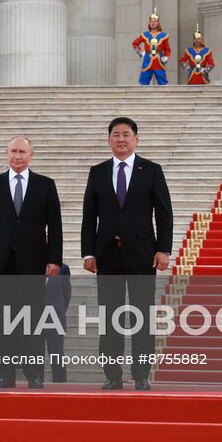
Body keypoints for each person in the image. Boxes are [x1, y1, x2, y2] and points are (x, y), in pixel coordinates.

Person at [80, 117, 173, 390]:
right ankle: (112, 375)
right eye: (116, 135)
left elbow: (164, 213)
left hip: (143, 255)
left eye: (126, 134)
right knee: (110, 318)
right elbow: (89, 217)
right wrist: (88, 253)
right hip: (107, 256)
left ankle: (141, 374)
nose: (121, 139)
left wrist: (163, 249)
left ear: (136, 139)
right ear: (109, 140)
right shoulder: (97, 172)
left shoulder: (151, 170)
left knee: (142, 317)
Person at [0, 135, 63, 388]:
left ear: (31, 155)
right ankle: (6, 374)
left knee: (32, 320)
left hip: (34, 263)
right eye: (13, 151)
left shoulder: (45, 185)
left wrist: (54, 260)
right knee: (4, 322)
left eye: (22, 152)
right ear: (6, 153)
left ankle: (34, 373)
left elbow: (55, 226)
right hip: (3, 264)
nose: (17, 156)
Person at [42, 262, 73, 383]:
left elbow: (67, 294)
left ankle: (60, 383)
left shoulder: (63, 268)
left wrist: (58, 311)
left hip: (55, 317)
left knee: (57, 354)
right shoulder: (31, 265)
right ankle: (36, 383)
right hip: (34, 317)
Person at [132, 10, 172, 86]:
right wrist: (141, 52)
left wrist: (166, 57)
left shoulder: (164, 35)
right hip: (147, 60)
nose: (153, 23)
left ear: (158, 23)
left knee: (162, 82)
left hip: (159, 61)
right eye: (151, 21)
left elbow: (167, 49)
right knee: (143, 82)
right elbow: (135, 44)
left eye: (155, 21)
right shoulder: (144, 34)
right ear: (149, 23)